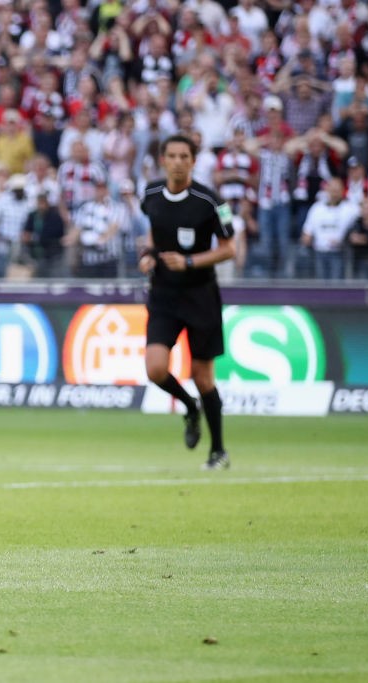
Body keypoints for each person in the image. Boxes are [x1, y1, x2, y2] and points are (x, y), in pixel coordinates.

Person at [139, 135, 236, 471]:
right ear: (163, 159)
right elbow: (152, 233)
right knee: (154, 368)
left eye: (184, 156)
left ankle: (219, 450)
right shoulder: (150, 195)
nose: (178, 161)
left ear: (194, 161)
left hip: (200, 296)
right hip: (164, 294)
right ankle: (189, 408)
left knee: (202, 376)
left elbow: (229, 249)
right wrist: (148, 256)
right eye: (172, 155)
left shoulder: (211, 201)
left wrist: (191, 262)